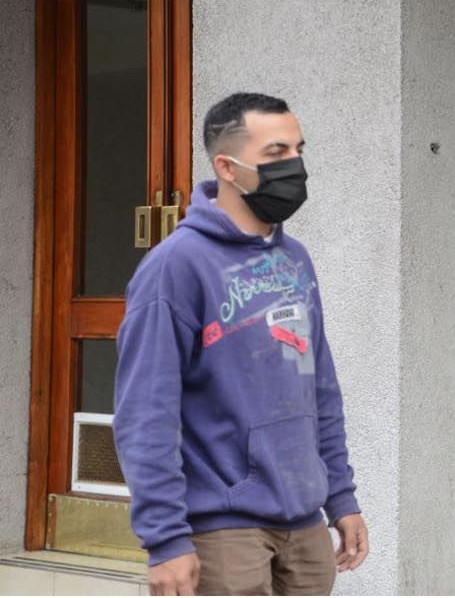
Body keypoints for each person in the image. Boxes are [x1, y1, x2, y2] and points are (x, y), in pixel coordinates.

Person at [114, 93, 368, 595]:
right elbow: (146, 412)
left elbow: (319, 387)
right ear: (227, 168)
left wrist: (341, 497)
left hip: (304, 520)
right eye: (276, 154)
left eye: (298, 150)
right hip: (222, 526)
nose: (294, 165)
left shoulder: (295, 259)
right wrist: (165, 540)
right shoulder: (175, 267)